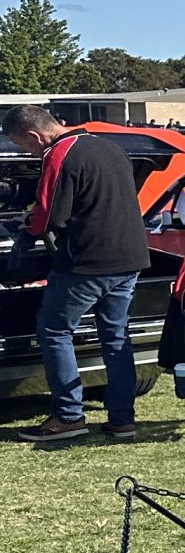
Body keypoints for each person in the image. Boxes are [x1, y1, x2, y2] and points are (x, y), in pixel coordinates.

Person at [3, 105, 151, 444]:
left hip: (88, 261)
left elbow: (48, 215)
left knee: (54, 330)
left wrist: (24, 230)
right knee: (115, 338)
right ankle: (122, 419)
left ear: (33, 135)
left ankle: (68, 416)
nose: (26, 152)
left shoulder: (59, 154)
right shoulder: (110, 146)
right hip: (129, 255)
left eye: (22, 146)